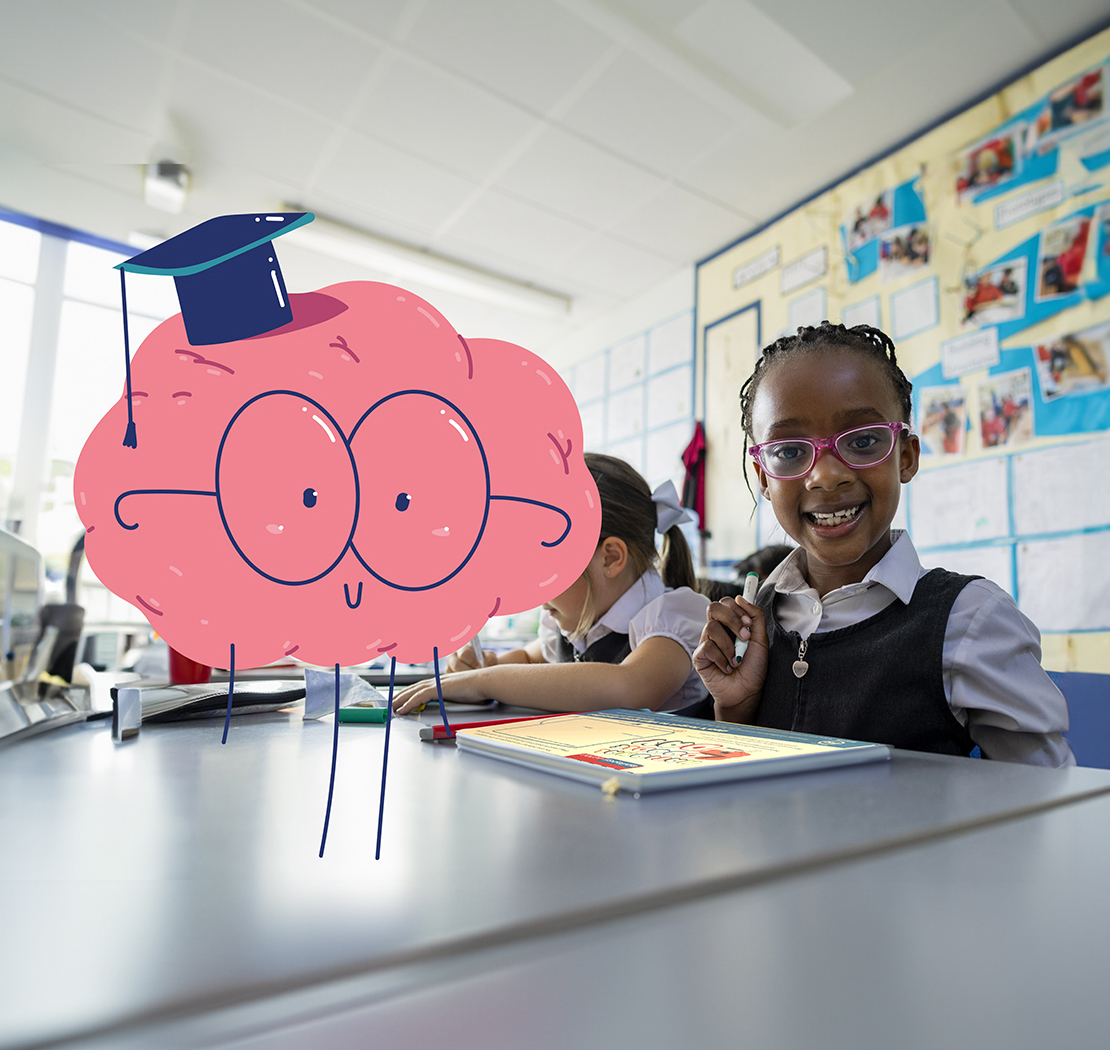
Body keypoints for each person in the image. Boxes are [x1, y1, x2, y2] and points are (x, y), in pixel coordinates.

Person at [692, 321, 1073, 766]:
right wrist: (735, 712)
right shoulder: (752, 622)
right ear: (764, 478)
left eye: (864, 440)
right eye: (790, 452)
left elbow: (1046, 797)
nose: (826, 474)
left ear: (905, 456)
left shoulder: (968, 619)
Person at [393, 454, 711, 715]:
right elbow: (530, 661)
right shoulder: (574, 624)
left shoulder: (672, 616)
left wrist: (484, 681)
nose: (536, 588)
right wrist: (475, 670)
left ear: (611, 558)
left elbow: (629, 687)